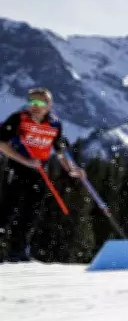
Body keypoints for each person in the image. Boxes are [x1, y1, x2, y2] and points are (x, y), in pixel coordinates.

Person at [0, 88, 84, 262]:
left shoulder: (54, 124)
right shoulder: (18, 119)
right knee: (8, 208)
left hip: (39, 173)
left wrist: (71, 169)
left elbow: (60, 152)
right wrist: (25, 161)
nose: (35, 106)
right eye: (32, 102)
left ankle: (19, 251)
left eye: (40, 103)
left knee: (31, 213)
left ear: (49, 105)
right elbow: (1, 143)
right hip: (16, 169)